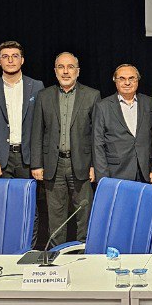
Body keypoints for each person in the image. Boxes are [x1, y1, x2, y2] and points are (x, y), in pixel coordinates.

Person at [31, 53, 100, 243]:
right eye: (61, 67)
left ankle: (84, 254)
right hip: (54, 165)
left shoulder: (92, 95)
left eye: (70, 67)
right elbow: (37, 131)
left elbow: (96, 134)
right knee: (56, 215)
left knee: (84, 212)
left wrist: (95, 165)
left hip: (82, 164)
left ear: (78, 71)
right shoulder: (44, 96)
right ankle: (57, 256)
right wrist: (36, 164)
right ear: (55, 71)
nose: (66, 71)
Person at [0, 40, 44, 180]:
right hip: (0, 160)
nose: (10, 60)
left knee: (27, 201)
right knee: (2, 201)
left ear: (22, 60)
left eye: (15, 56)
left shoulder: (37, 87)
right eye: (5, 56)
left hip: (28, 159)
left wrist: (38, 161)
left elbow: (41, 126)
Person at [92, 64, 152, 184]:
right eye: (122, 79)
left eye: (131, 78)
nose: (127, 83)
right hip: (116, 173)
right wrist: (103, 179)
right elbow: (98, 144)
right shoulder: (102, 106)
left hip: (145, 172)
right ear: (115, 81)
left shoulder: (149, 103)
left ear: (137, 80)